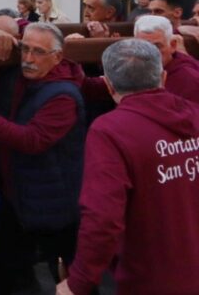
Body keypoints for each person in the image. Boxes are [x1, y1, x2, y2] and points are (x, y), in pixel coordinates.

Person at [0, 22, 86, 293]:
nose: (28, 58)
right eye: (24, 49)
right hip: (18, 197)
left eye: (38, 52)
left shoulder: (63, 95)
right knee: (0, 275)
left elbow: (32, 140)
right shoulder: (19, 74)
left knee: (70, 278)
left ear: (57, 57)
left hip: (52, 202)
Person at [58, 39, 199, 294]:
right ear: (163, 77)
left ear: (109, 85)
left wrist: (78, 281)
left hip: (153, 277)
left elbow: (103, 218)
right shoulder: (195, 114)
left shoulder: (111, 131)